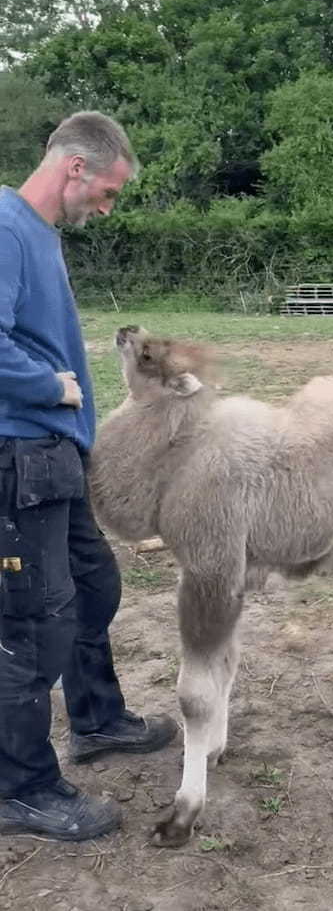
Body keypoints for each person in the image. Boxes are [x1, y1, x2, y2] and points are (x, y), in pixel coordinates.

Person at [0, 112, 177, 841]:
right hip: (19, 455)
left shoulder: (35, 235)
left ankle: (98, 720)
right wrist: (52, 388)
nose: (105, 208)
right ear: (76, 168)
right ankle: (21, 789)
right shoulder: (6, 227)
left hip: (55, 458)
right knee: (33, 625)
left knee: (93, 585)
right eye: (106, 192)